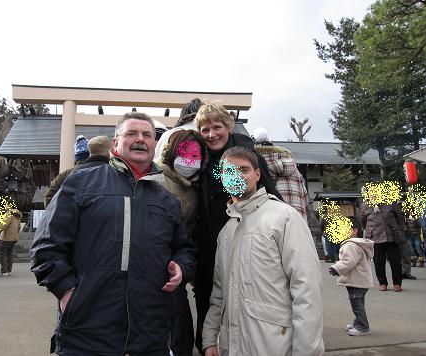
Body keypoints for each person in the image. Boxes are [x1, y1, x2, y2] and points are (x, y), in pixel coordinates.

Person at [31, 112, 196, 355]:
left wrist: (182, 267)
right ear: (116, 142)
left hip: (150, 334)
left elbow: (184, 248)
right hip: (87, 333)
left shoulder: (167, 200)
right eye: (131, 133)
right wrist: (68, 292)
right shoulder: (80, 184)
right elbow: (46, 246)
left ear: (154, 144)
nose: (140, 139)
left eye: (147, 135)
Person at [202, 146, 324, 356]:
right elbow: (219, 292)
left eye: (243, 169)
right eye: (229, 171)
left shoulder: (284, 217)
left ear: (257, 174)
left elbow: (307, 289)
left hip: (275, 345)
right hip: (231, 346)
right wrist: (210, 339)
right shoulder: (226, 231)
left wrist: (307, 351)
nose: (236, 176)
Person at [193, 101, 283, 352]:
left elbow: (271, 194)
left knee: (241, 306)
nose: (212, 135)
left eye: (217, 127)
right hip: (209, 249)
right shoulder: (199, 160)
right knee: (208, 302)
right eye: (205, 130)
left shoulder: (245, 158)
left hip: (245, 242)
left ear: (229, 127)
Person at [152, 129, 208, 356]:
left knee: (180, 328)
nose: (189, 161)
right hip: (151, 269)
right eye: (184, 154)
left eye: (196, 157)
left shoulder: (195, 186)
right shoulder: (153, 179)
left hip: (178, 267)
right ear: (170, 152)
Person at [329, 216, 374, 336]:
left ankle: (363, 327)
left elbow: (348, 262)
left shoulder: (351, 246)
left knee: (357, 304)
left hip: (357, 281)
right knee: (358, 303)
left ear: (354, 230)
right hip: (359, 281)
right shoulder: (355, 244)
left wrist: (336, 268)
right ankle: (358, 322)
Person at [253, 127, 309, 221]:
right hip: (296, 223)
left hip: (266, 224)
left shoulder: (251, 167)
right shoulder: (294, 170)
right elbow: (305, 199)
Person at [361, 200, 405, 292]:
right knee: (379, 261)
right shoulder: (365, 206)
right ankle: (382, 283)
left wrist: (400, 230)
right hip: (375, 237)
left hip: (391, 236)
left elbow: (399, 218)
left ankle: (397, 283)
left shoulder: (391, 203)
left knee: (395, 260)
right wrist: (370, 230)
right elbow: (363, 221)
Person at [44, 135, 89, 207]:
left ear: (76, 157)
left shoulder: (64, 175)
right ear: (89, 156)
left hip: (68, 215)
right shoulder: (97, 173)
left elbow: (49, 196)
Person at [0, 208, 22, 277]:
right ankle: (8, 270)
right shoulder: (17, 216)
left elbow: (4, 225)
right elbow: (19, 227)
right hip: (14, 238)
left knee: (3, 254)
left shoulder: (8, 215)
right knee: (9, 254)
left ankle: (4, 271)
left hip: (6, 238)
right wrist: (15, 233)